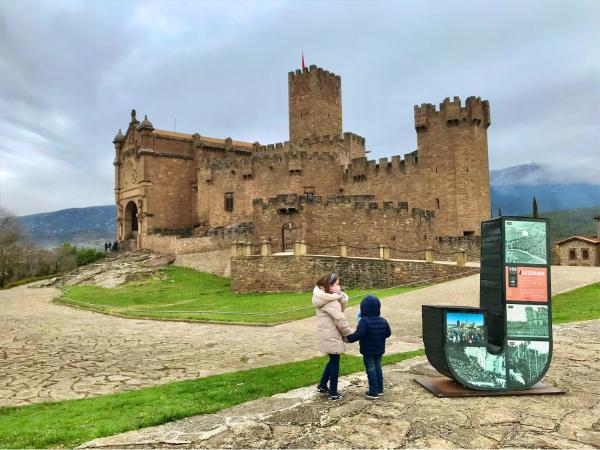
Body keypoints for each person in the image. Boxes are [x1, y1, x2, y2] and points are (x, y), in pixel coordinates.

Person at [312, 272, 352, 401]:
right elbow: (340, 319)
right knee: (335, 362)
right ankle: (333, 393)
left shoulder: (323, 298)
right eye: (336, 284)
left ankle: (322, 385)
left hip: (326, 334)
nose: (339, 287)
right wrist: (348, 334)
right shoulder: (331, 302)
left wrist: (339, 297)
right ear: (328, 286)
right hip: (332, 335)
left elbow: (339, 310)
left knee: (332, 359)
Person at [346, 295, 392, 399]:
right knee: (378, 368)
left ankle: (373, 391)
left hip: (368, 350)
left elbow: (359, 334)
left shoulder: (364, 321)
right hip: (379, 350)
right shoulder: (383, 320)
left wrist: (349, 338)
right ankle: (380, 389)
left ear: (363, 309)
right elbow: (388, 333)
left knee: (371, 369)